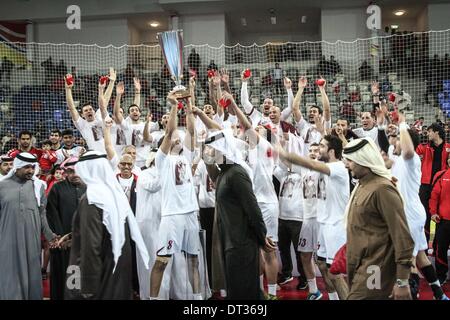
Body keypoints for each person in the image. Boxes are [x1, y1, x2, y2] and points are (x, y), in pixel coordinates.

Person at [202, 128, 274, 300]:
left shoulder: (237, 173)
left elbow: (253, 209)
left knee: (245, 293)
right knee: (238, 292)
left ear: (223, 149)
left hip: (242, 243)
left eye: (214, 149)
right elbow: (207, 160)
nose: (210, 153)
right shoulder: (224, 174)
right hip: (231, 242)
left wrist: (262, 236)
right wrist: (205, 146)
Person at [66, 151, 149, 300]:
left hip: (100, 278)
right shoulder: (114, 194)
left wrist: (87, 286)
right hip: (118, 274)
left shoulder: (92, 199)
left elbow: (91, 246)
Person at [275, 134, 350, 300]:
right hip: (323, 224)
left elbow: (308, 162)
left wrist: (285, 151)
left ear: (331, 151)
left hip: (336, 226)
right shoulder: (322, 167)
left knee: (336, 272)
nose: (317, 151)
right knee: (323, 266)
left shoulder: (338, 167)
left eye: (322, 147)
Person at [343, 137, 414, 299]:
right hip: (360, 266)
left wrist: (402, 281)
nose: (347, 165)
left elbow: (402, 237)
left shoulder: (382, 188)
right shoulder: (362, 185)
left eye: (351, 161)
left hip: (375, 269)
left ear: (364, 160)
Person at [149, 92, 202, 300]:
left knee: (193, 260)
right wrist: (173, 106)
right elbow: (171, 131)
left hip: (190, 212)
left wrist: (189, 105)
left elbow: (191, 130)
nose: (178, 140)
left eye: (180, 139)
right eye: (175, 139)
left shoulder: (186, 157)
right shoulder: (162, 160)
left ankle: (197, 299)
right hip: (172, 215)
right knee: (162, 260)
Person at [389, 115, 448, 300]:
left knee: (410, 261)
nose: (396, 143)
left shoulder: (411, 158)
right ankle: (439, 295)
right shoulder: (397, 160)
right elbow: (389, 147)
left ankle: (411, 295)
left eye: (399, 140)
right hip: (410, 215)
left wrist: (403, 124)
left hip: (410, 216)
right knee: (421, 257)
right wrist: (388, 125)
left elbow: (406, 149)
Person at [0, 152, 59, 299]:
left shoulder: (38, 187)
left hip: (31, 241)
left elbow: (42, 215)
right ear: (17, 167)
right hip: (7, 240)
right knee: (10, 273)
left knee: (32, 274)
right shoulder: (2, 187)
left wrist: (50, 236)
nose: (31, 171)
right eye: (26, 167)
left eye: (33, 167)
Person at [46, 157, 86, 300]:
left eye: (76, 171)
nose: (74, 174)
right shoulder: (57, 188)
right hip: (62, 244)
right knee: (62, 277)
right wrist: (60, 237)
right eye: (70, 171)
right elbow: (51, 214)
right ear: (65, 172)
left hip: (84, 243)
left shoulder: (87, 187)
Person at [65, 69, 117, 153]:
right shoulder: (82, 124)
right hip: (95, 156)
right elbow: (72, 108)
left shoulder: (98, 116)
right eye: (86, 111)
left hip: (111, 153)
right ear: (82, 115)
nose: (89, 111)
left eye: (90, 109)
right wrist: (68, 89)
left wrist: (112, 82)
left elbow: (105, 100)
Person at [416, 123, 450, 244]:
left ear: (437, 133)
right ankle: (424, 245)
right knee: (424, 216)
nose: (428, 133)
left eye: (430, 131)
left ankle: (437, 246)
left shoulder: (448, 148)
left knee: (439, 216)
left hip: (441, 187)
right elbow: (414, 149)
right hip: (425, 186)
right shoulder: (425, 147)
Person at [430, 152, 450, 286]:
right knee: (441, 248)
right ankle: (441, 276)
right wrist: (433, 212)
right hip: (443, 220)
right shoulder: (441, 175)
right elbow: (434, 196)